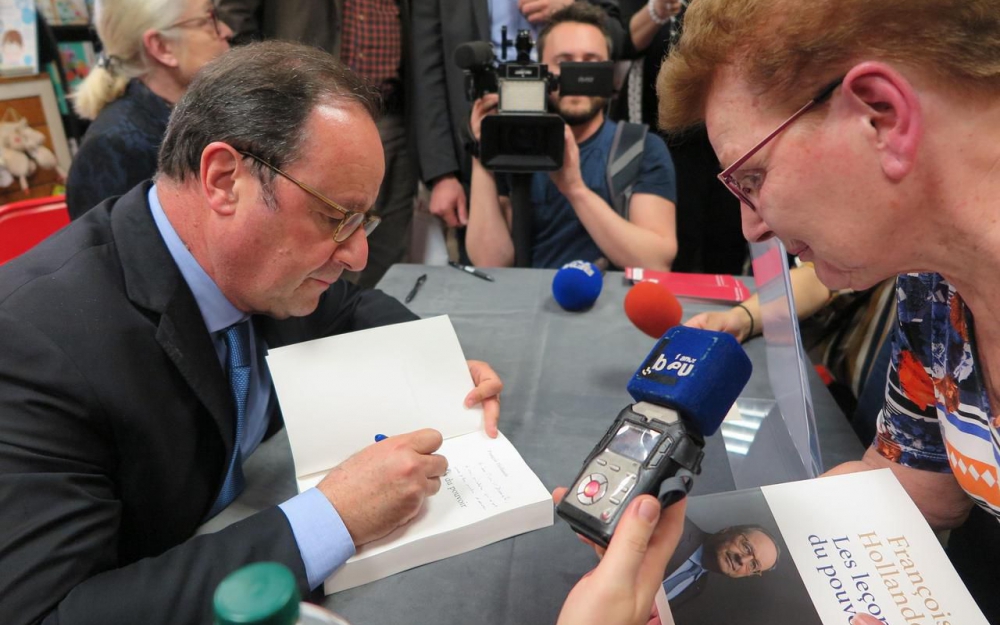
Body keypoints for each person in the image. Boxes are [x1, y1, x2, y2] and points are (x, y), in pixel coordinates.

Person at [0, 41, 503, 625]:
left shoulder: (259, 262)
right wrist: (332, 517)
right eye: (338, 216)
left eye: (364, 220)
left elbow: (353, 309)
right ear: (222, 180)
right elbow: (50, 614)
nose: (359, 254)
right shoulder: (33, 344)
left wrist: (436, 363)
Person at [656, 0, 1000, 619]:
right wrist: (680, 559)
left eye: (752, 179)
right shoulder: (932, 287)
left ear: (883, 116)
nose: (752, 227)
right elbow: (910, 484)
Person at [217, 0, 418, 289]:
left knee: (382, 248)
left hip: (391, 111)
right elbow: (234, 16)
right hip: (304, 109)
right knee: (320, 241)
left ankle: (363, 326)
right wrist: (260, 82)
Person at [466, 3, 677, 270]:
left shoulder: (640, 148)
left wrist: (575, 189)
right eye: (564, 62)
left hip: (613, 306)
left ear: (609, 72)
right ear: (541, 71)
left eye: (590, 62)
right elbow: (490, 261)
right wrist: (482, 150)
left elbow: (655, 261)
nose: (577, 74)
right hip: (527, 303)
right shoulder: (513, 147)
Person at [411, 0, 625, 236]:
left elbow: (619, 35)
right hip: (484, 129)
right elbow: (426, 67)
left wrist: (570, 9)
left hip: (574, 127)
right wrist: (442, 174)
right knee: (487, 251)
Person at [66, 0, 232, 220]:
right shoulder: (113, 150)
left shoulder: (207, 109)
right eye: (208, 19)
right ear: (162, 47)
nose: (227, 31)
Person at [659, 520, 779, 607]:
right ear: (727, 530)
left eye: (753, 565)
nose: (742, 560)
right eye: (746, 548)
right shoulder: (674, 526)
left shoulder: (697, 588)